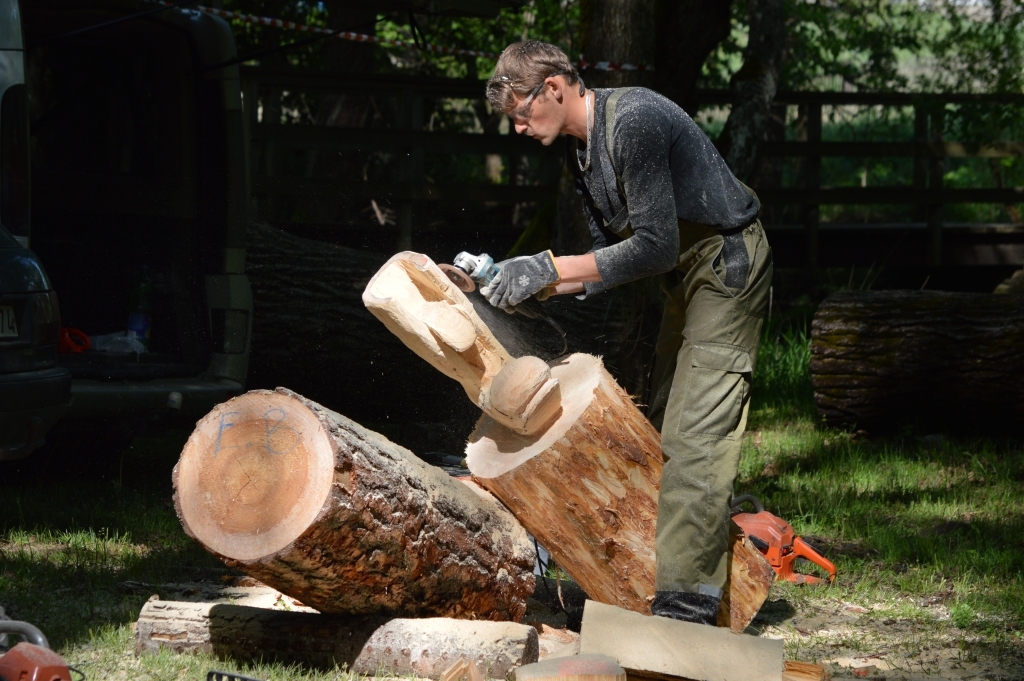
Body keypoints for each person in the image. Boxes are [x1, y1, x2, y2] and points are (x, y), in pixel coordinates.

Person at [480, 41, 773, 625]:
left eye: (521, 111)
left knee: (695, 435)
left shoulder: (632, 121)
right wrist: (526, 282)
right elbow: (611, 258)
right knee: (663, 418)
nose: (517, 127)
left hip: (726, 266)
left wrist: (550, 268)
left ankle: (684, 613)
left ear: (555, 88)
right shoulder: (582, 150)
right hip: (683, 276)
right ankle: (663, 573)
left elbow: (654, 247)